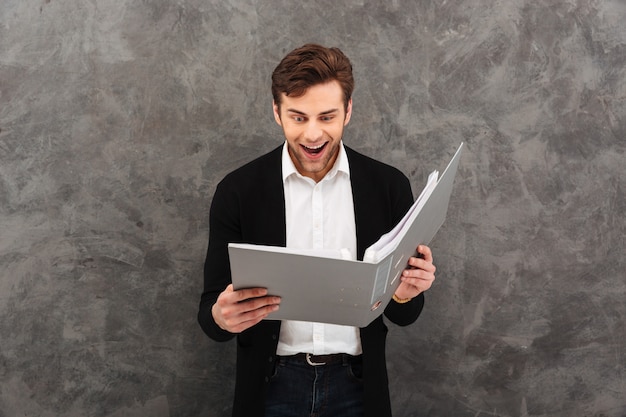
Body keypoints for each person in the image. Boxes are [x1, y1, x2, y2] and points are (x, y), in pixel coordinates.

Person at [197, 43, 436, 417]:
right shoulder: (237, 191)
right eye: (298, 117)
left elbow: (407, 315)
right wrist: (221, 316)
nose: (312, 135)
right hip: (271, 387)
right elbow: (210, 317)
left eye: (327, 117)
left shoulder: (388, 187)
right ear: (276, 112)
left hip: (358, 386)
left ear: (348, 111)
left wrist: (405, 293)